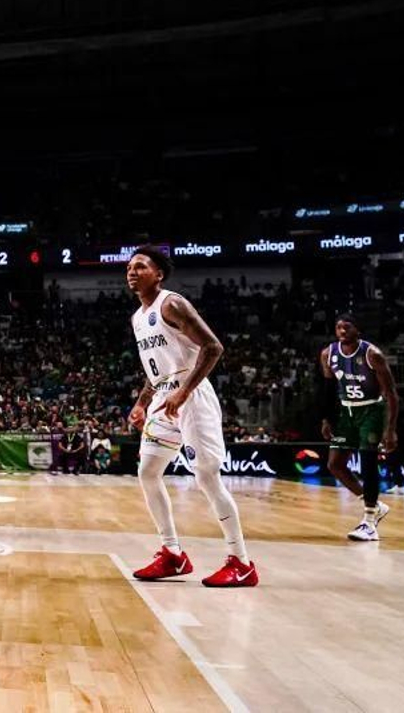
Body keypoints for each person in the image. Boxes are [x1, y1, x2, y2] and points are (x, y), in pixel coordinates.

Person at [125, 246, 257, 587]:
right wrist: (142, 402)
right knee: (148, 472)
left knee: (207, 477)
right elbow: (156, 369)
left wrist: (183, 391)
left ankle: (241, 561)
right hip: (164, 397)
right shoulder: (138, 317)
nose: (132, 271)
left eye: (141, 266)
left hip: (192, 395)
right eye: (129, 267)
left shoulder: (172, 303)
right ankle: (173, 555)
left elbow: (213, 347)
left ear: (159, 274)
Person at [319, 315, 400, 541]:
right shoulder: (328, 353)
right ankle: (375, 504)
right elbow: (328, 388)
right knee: (334, 464)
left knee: (368, 463)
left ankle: (369, 522)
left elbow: (391, 393)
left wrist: (390, 428)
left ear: (358, 329)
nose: (342, 330)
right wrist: (326, 419)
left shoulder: (372, 354)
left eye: (347, 326)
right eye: (338, 327)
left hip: (371, 411)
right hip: (346, 412)